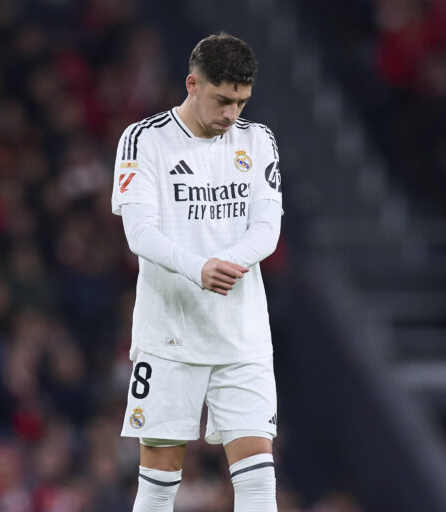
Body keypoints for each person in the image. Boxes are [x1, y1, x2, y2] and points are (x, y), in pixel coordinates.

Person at [111, 33, 283, 511]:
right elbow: (139, 233)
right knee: (159, 480)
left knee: (256, 479)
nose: (232, 114)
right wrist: (198, 268)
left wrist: (229, 265)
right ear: (192, 83)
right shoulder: (144, 140)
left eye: (241, 102)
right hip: (169, 334)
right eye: (223, 99)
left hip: (241, 335)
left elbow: (268, 225)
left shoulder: (258, 140)